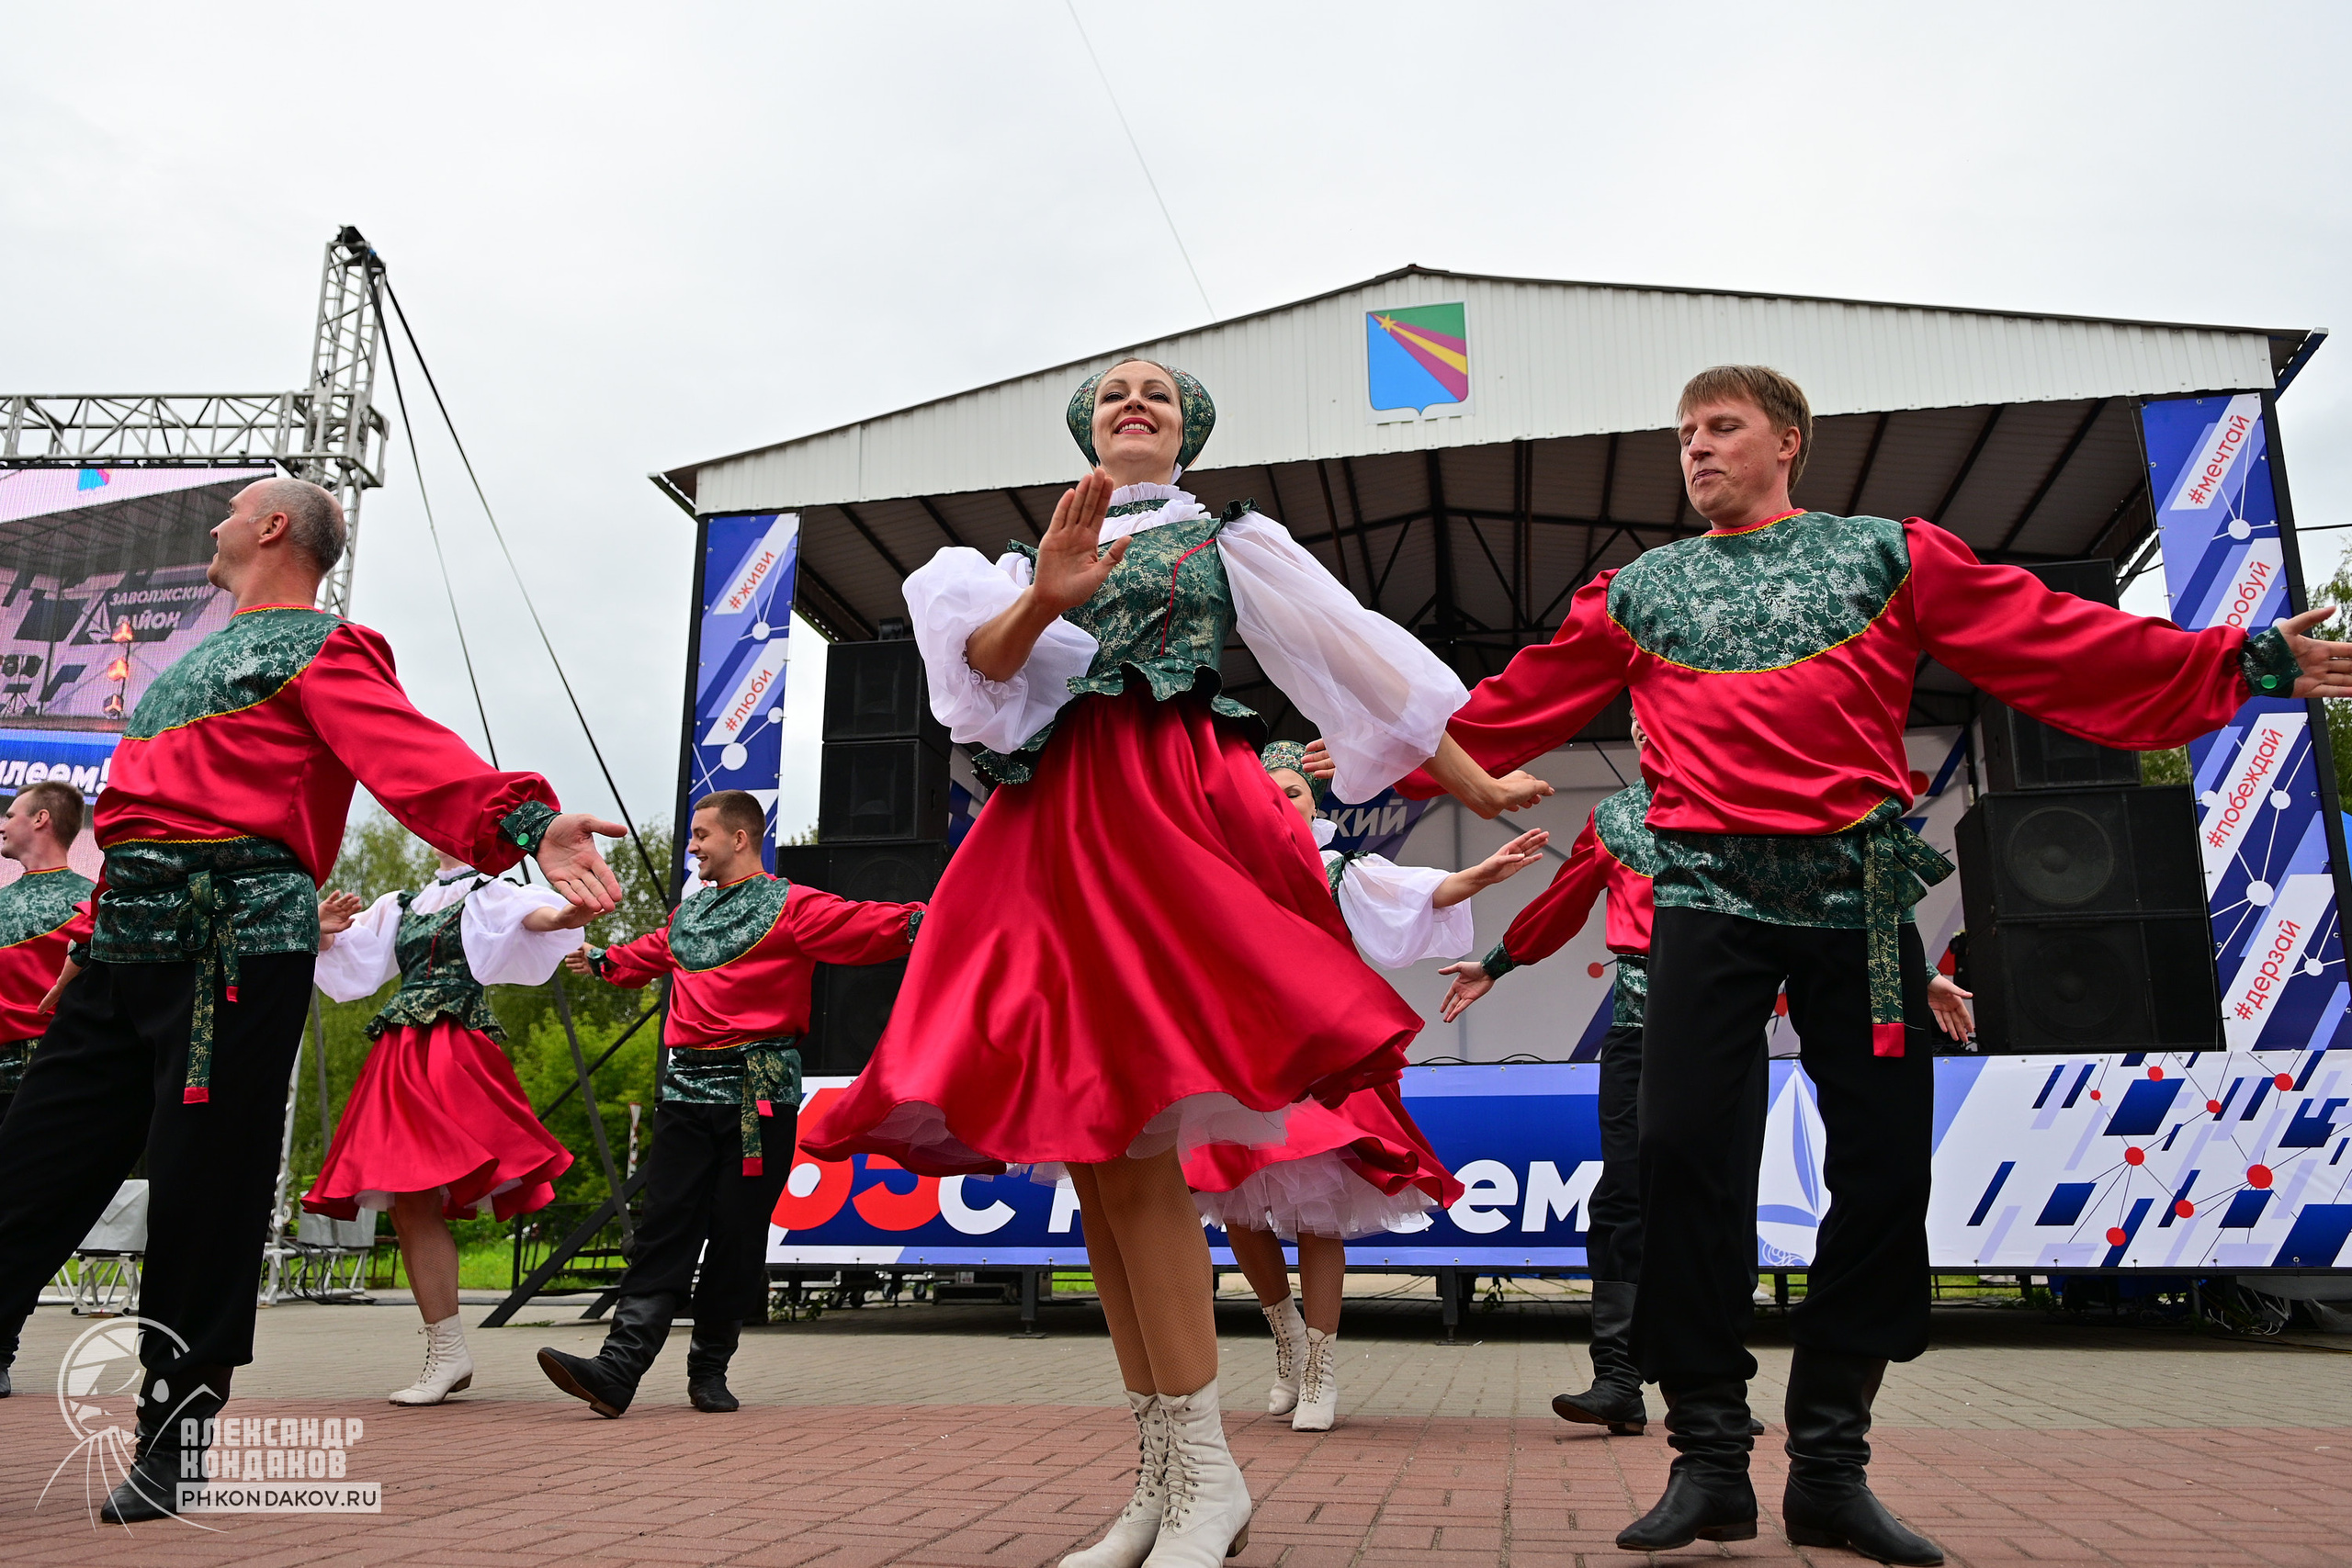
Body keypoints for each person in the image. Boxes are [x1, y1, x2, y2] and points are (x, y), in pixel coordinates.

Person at [1393, 365, 2352, 1563]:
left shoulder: (1887, 553)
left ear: (1786, 441)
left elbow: (2058, 641)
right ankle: (1708, 1454)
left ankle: (1833, 1461)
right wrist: (1386, 747)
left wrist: (2243, 664)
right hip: (1705, 894)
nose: (1696, 449)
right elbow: (1510, 701)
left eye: (1721, 427)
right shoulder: (1640, 590)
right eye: (1683, 434)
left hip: (1857, 901)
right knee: (1682, 1150)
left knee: (1890, 1166)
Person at [798, 360, 1544, 1568]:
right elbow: (979, 681)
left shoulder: (1229, 534)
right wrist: (1047, 594)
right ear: (1086, 426)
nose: (1133, 400)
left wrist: (1475, 783)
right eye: (1112, 393)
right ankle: (1164, 1475)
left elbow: (1359, 669)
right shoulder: (1022, 554)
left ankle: (1208, 1478)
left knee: (1137, 1147)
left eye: (1158, 390)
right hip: (1053, 827)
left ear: (1191, 425)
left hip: (1165, 813)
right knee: (1099, 1162)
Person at [0, 476, 624, 1522]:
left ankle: (176, 1432)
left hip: (234, 945)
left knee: (205, 1193)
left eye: (232, 511)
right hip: (124, 947)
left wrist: (527, 823)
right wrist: (82, 950)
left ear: (275, 528)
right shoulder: (176, 669)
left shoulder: (323, 647)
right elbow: (146, 817)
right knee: (26, 1169)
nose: (213, 525)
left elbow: (410, 758)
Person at [537, 788, 924, 1419]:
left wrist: (931, 919)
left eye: (700, 834)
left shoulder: (792, 906)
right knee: (664, 1229)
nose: (691, 845)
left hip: (757, 1100)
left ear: (739, 838)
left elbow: (867, 925)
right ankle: (618, 1367)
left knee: (738, 1238)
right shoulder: (688, 916)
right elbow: (652, 952)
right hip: (686, 1094)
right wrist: (605, 960)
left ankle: (709, 1367)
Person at [1189, 742, 1542, 1433]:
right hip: (1242, 1053)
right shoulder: (1222, 865)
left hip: (1323, 1059)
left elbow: (1419, 893)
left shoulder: (1337, 869)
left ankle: (1319, 1366)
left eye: (1291, 791)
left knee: (1318, 1212)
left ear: (1312, 802)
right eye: (1267, 793)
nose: (1280, 802)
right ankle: (1287, 1337)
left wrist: (1481, 873)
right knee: (1235, 1203)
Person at [301, 846, 594, 1405]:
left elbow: (542, 918)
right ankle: (449, 1352)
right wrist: (319, 931)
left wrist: (568, 914)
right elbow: (350, 965)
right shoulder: (400, 905)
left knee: (420, 1194)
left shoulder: (495, 894)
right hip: (399, 1054)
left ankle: (448, 1353)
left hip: (451, 1054)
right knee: (408, 1201)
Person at [0, 781, 96, 1399]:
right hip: (42, 1074)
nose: (1, 823)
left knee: (19, 1216)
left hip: (45, 1079)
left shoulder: (90, 905)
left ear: (40, 819)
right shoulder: (86, 902)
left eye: (8, 813)